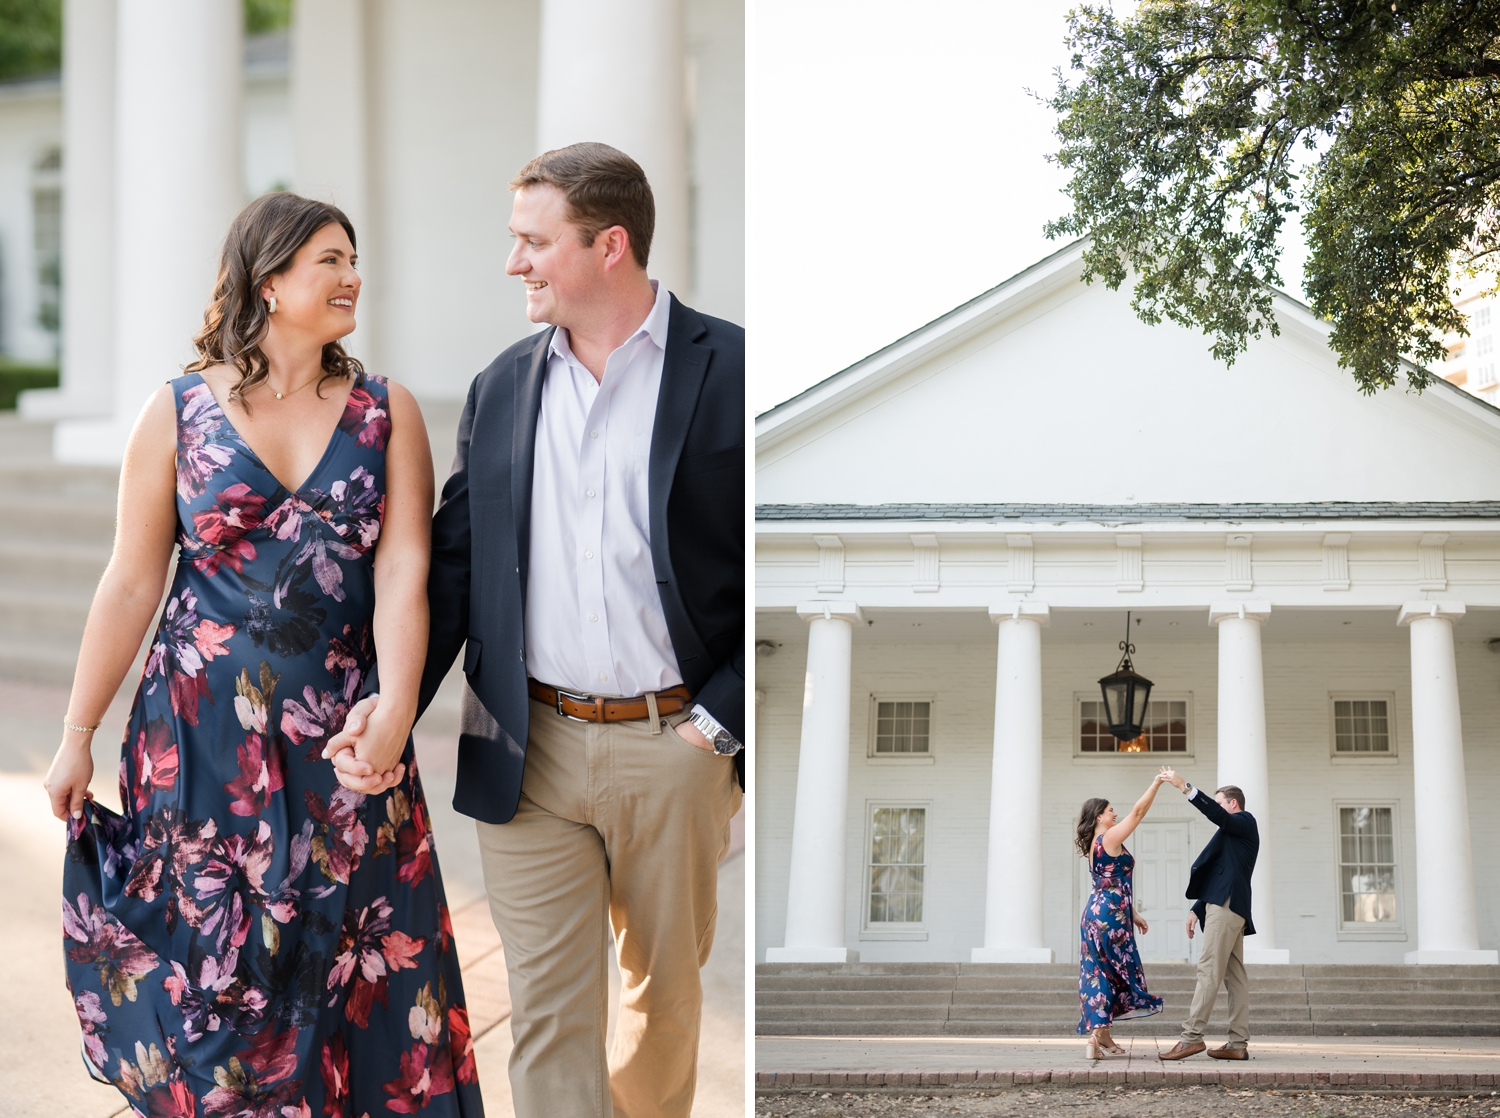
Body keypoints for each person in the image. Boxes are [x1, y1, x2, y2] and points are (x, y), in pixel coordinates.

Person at [326, 142, 744, 1118]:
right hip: (529, 747)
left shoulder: (730, 369)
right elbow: (458, 567)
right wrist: (390, 705)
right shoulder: (504, 386)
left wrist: (714, 729)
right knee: (551, 1011)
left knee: (663, 1001)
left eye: (532, 241)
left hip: (673, 744)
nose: (514, 261)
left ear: (610, 244)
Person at [42, 192, 483, 1116]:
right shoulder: (176, 412)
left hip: (346, 747)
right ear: (270, 279)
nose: (352, 275)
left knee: (352, 972)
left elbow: (406, 569)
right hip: (199, 749)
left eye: (353, 258)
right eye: (330, 259)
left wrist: (398, 707)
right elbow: (130, 581)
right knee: (221, 986)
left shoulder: (385, 411)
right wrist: (77, 731)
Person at [1156, 769, 1259, 1061]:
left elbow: (1219, 817)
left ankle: (1191, 1037)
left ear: (1233, 804)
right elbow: (1219, 873)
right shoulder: (1232, 836)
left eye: (1219, 803)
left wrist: (1184, 787)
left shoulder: (1243, 821)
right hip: (1229, 905)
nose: (1217, 808)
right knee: (1234, 976)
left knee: (1208, 970)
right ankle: (1238, 1044)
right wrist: (1197, 908)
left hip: (1227, 907)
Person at [1075, 771, 1168, 1058]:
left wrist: (1134, 913)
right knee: (1114, 973)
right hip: (1110, 916)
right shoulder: (1109, 837)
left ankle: (1102, 1038)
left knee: (1101, 973)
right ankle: (1095, 1037)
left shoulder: (1094, 843)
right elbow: (1138, 813)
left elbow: (1108, 883)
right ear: (1099, 817)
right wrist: (1156, 784)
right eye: (1110, 810)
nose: (1115, 813)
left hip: (1095, 912)